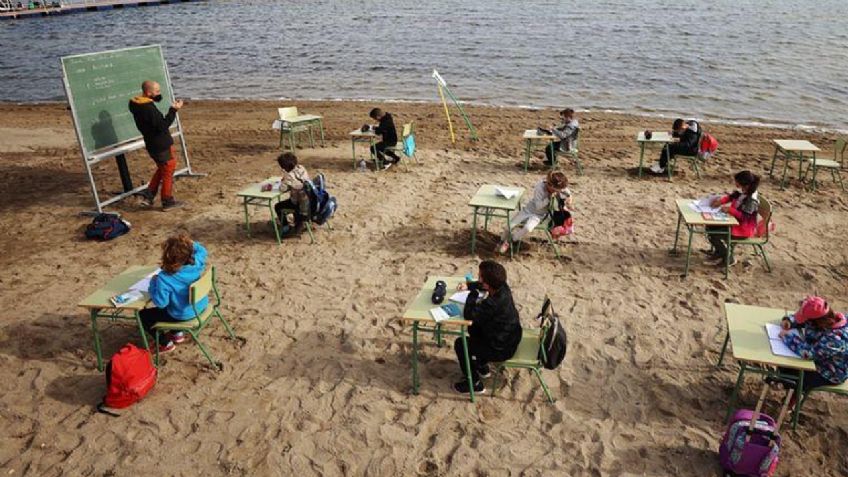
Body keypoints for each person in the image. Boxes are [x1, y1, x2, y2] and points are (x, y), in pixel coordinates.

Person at [453, 260, 522, 394]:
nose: (478, 278)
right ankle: (481, 365)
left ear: (487, 283)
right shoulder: (502, 287)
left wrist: (471, 295)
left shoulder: (494, 303)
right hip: (509, 337)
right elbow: (484, 285)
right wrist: (469, 285)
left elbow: (469, 314)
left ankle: (474, 383)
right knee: (474, 328)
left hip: (502, 348)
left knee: (460, 343)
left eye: (480, 277)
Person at [140, 233, 208, 352]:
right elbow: (202, 249)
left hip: (182, 314)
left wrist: (153, 284)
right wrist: (189, 243)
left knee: (143, 316)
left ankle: (165, 343)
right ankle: (177, 334)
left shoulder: (164, 278)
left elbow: (161, 303)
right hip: (200, 306)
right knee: (176, 302)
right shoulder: (197, 262)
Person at [129, 80, 185, 210]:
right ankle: (167, 200)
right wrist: (173, 110)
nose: (159, 93)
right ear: (149, 93)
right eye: (157, 91)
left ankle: (149, 195)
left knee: (163, 168)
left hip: (152, 143)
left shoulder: (136, 104)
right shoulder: (148, 109)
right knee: (168, 168)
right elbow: (163, 126)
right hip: (160, 144)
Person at [778, 296, 848, 395]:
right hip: (819, 358)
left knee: (790, 375)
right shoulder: (828, 319)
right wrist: (790, 321)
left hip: (829, 373)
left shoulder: (836, 339)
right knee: (786, 366)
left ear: (817, 323)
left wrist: (789, 338)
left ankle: (794, 398)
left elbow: (808, 353)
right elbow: (802, 318)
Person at [497, 170, 573, 254]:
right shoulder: (540, 187)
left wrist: (569, 199)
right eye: (556, 190)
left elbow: (568, 193)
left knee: (528, 228)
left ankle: (510, 241)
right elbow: (538, 206)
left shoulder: (559, 186)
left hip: (540, 215)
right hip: (529, 210)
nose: (558, 191)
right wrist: (549, 198)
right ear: (550, 185)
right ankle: (501, 240)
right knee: (509, 227)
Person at [705, 170, 760, 267]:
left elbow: (745, 217)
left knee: (715, 234)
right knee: (710, 226)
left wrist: (730, 210)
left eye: (737, 182)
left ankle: (728, 258)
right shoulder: (744, 191)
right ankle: (719, 252)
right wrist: (721, 201)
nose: (735, 184)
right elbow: (732, 196)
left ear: (744, 184)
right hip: (734, 222)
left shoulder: (752, 200)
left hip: (743, 229)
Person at [273, 152, 311, 235]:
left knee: (278, 206)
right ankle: (299, 222)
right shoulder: (301, 168)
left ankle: (285, 228)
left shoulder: (289, 176)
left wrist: (284, 180)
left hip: (298, 204)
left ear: (284, 167)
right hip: (309, 200)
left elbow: (282, 189)